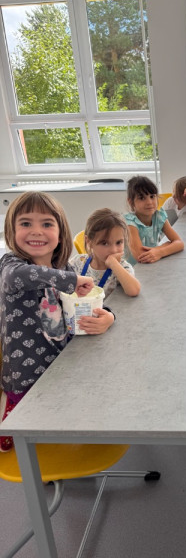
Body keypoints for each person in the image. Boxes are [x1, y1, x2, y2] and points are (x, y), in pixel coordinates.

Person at [0, 192, 115, 452]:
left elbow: (86, 303)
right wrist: (70, 280)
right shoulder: (10, 265)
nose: (36, 231)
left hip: (64, 368)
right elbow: (19, 277)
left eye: (47, 224)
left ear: (60, 234)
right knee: (17, 442)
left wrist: (108, 316)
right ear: (12, 231)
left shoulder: (64, 269)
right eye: (26, 223)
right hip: (26, 376)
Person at [70, 208, 140, 299]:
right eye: (105, 243)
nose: (114, 250)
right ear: (89, 242)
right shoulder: (78, 262)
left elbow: (134, 290)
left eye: (119, 242)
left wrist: (113, 264)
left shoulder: (122, 267)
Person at [125, 176, 184, 265]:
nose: (149, 202)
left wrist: (159, 252)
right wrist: (167, 245)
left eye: (152, 196)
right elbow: (140, 256)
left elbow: (179, 243)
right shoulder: (130, 222)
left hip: (152, 264)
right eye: (142, 198)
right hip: (131, 269)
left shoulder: (159, 216)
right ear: (131, 202)